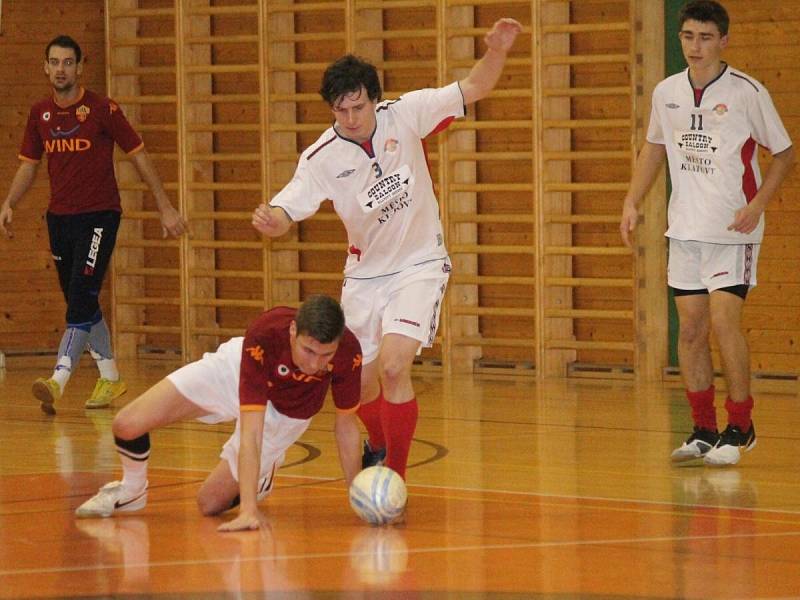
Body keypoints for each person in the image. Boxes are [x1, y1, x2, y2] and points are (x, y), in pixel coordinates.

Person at [251, 18, 522, 481]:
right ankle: (378, 443)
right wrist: (269, 220)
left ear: (375, 99)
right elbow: (285, 213)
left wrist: (496, 51)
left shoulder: (407, 113)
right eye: (341, 111)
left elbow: (475, 85)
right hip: (364, 277)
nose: (351, 118)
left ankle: (394, 476)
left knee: (396, 368)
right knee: (357, 382)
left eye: (359, 107)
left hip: (419, 264)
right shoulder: (321, 158)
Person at [620, 1, 795, 466]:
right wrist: (631, 200)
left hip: (733, 230)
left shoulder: (746, 92)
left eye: (705, 37)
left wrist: (756, 206)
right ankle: (703, 429)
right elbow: (655, 147)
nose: (695, 47)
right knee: (692, 329)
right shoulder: (667, 92)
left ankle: (741, 426)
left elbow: (783, 153)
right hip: (685, 231)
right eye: (688, 37)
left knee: (723, 321)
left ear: (723, 41)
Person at [0, 35, 187, 414]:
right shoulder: (40, 114)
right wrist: (10, 202)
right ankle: (111, 375)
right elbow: (28, 165)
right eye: (54, 62)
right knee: (79, 300)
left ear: (80, 67)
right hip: (59, 220)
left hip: (100, 217)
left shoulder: (103, 109)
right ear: (45, 67)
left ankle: (59, 378)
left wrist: (165, 205)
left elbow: (138, 155)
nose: (61, 69)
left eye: (68, 62)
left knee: (83, 294)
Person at [75, 294, 363, 532]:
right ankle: (132, 490)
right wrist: (249, 510)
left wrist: (357, 494)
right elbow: (251, 430)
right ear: (292, 331)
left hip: (288, 412)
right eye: (308, 351)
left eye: (326, 355)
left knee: (209, 503)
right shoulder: (264, 335)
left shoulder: (349, 353)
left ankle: (262, 474)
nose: (315, 364)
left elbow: (346, 424)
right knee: (126, 424)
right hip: (235, 369)